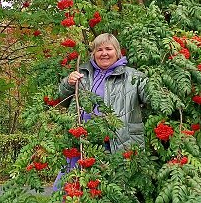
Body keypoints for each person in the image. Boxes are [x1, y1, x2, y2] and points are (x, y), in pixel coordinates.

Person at [53, 33, 148, 191]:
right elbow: (61, 98)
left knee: (114, 190)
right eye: (99, 50)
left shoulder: (133, 76)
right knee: (71, 186)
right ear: (93, 54)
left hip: (118, 142)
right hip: (83, 140)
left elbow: (151, 98)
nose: (104, 53)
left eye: (108, 49)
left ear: (117, 52)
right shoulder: (83, 74)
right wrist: (68, 83)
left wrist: (161, 90)